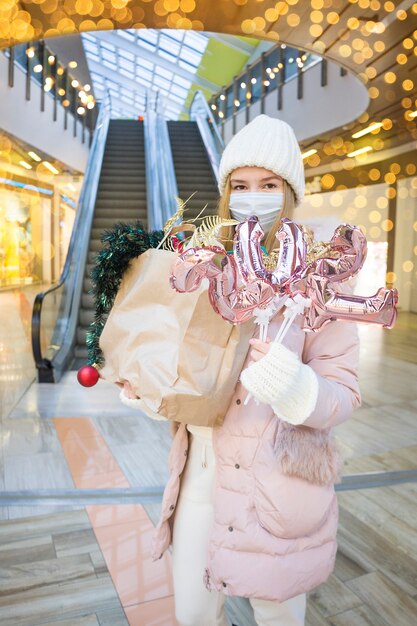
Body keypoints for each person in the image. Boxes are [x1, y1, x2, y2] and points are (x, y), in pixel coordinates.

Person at [121, 114, 361, 626]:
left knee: (277, 615)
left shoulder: (320, 279)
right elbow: (182, 361)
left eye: (269, 184)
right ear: (227, 192)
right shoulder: (206, 265)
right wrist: (150, 384)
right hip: (199, 474)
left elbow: (343, 393)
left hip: (279, 484)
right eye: (241, 185)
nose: (254, 197)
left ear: (290, 191)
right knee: (193, 613)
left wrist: (296, 387)